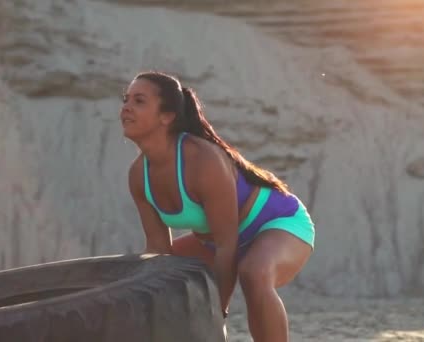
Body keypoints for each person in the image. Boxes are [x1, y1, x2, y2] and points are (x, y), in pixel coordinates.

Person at [121, 70, 315, 342]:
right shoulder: (138, 176)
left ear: (167, 116)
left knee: (253, 272)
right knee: (167, 275)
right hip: (219, 240)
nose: (126, 107)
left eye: (139, 101)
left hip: (278, 223)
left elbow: (227, 246)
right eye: (125, 99)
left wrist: (217, 314)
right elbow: (158, 251)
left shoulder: (203, 160)